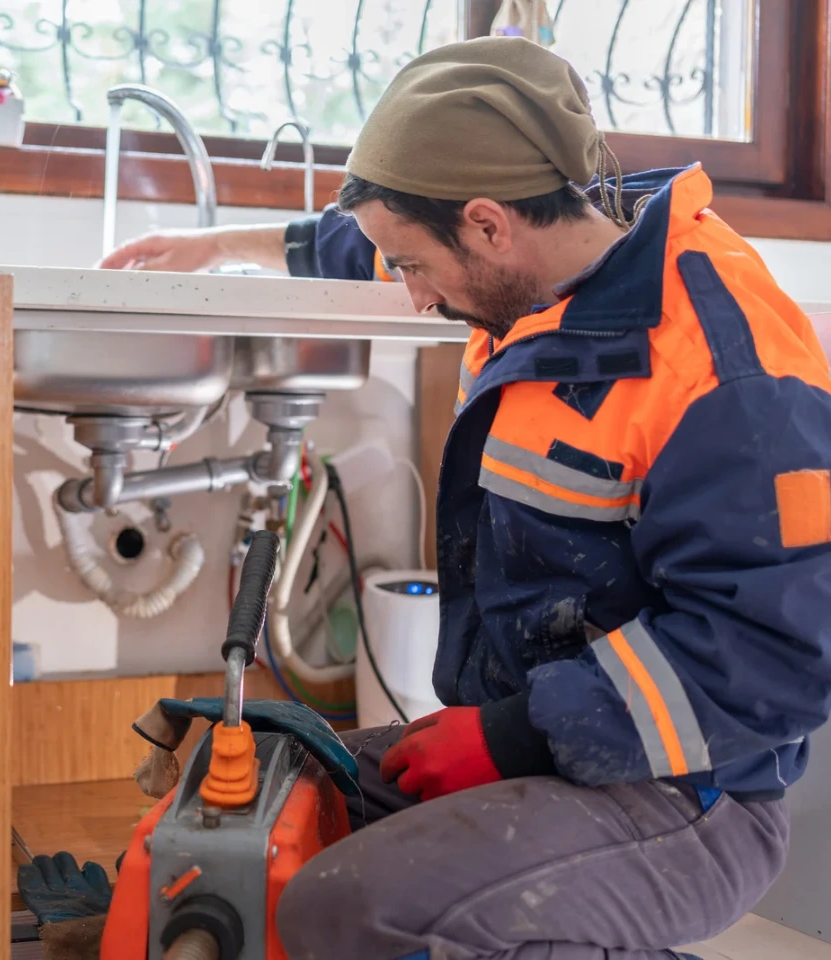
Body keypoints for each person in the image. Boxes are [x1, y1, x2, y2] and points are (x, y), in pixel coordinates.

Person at [60, 36, 831, 960]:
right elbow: (371, 236)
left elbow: (773, 662)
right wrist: (217, 244)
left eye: (415, 267)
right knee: (274, 785)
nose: (412, 297)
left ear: (488, 224)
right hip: (553, 741)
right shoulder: (542, 248)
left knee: (347, 911)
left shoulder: (722, 371)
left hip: (694, 793)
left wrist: (508, 740)